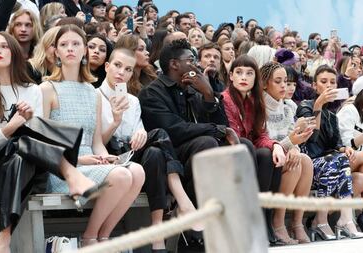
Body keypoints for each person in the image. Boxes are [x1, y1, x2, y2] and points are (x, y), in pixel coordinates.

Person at [0, 31, 107, 253]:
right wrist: (9, 128)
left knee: (23, 143)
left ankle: (4, 239)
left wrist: (28, 121)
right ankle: (71, 174)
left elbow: (39, 139)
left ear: (14, 52)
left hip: (31, 168)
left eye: (3, 47)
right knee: (17, 142)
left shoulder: (31, 90)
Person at [41, 24, 144, 247]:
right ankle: (90, 238)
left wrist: (106, 158)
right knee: (121, 176)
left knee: (137, 171)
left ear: (84, 51)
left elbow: (97, 143)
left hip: (91, 164)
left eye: (76, 43)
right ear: (56, 51)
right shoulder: (47, 89)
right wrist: (79, 160)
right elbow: (43, 145)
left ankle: (103, 236)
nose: (70, 48)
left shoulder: (92, 91)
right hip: (63, 170)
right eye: (64, 44)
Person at [139, 39, 240, 251]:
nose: (196, 65)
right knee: (207, 143)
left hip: (197, 154)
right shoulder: (151, 93)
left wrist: (208, 94)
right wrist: (215, 130)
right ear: (174, 64)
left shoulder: (194, 87)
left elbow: (223, 126)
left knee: (244, 146)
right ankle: (195, 232)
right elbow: (173, 130)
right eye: (191, 59)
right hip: (170, 156)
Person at [99, 48, 198, 252]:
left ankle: (157, 233)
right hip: (107, 156)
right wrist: (115, 122)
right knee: (159, 137)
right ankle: (181, 200)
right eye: (117, 66)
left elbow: (139, 132)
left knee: (154, 151)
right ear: (107, 66)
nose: (121, 73)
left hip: (131, 154)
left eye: (127, 69)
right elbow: (96, 143)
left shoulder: (133, 101)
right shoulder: (94, 97)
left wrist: (141, 134)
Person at [222, 55, 285, 244]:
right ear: (231, 76)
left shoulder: (254, 101)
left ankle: (264, 215)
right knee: (249, 146)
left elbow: (261, 135)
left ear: (255, 79)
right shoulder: (224, 99)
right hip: (229, 155)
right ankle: (253, 218)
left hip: (250, 155)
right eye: (239, 72)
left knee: (268, 155)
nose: (244, 77)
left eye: (249, 73)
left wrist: (276, 146)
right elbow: (231, 135)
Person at [296, 65, 363, 241]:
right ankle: (324, 219)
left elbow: (336, 144)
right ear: (314, 85)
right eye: (323, 81)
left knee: (341, 157)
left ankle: (345, 218)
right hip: (309, 163)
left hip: (329, 162)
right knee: (336, 160)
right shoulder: (304, 106)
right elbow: (312, 136)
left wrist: (345, 148)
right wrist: (318, 104)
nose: (329, 85)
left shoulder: (332, 115)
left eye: (332, 82)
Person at [260, 62, 314, 244]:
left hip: (284, 152)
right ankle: (278, 222)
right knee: (295, 164)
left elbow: (292, 137)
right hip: (269, 157)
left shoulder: (288, 106)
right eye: (278, 81)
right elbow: (265, 140)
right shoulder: (260, 106)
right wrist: (289, 145)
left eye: (286, 81)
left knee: (305, 160)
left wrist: (295, 147)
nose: (284, 85)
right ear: (265, 83)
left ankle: (297, 223)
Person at [336, 77, 363, 232]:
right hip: (342, 157)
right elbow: (344, 144)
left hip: (356, 163)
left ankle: (358, 217)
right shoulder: (349, 110)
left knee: (360, 179)